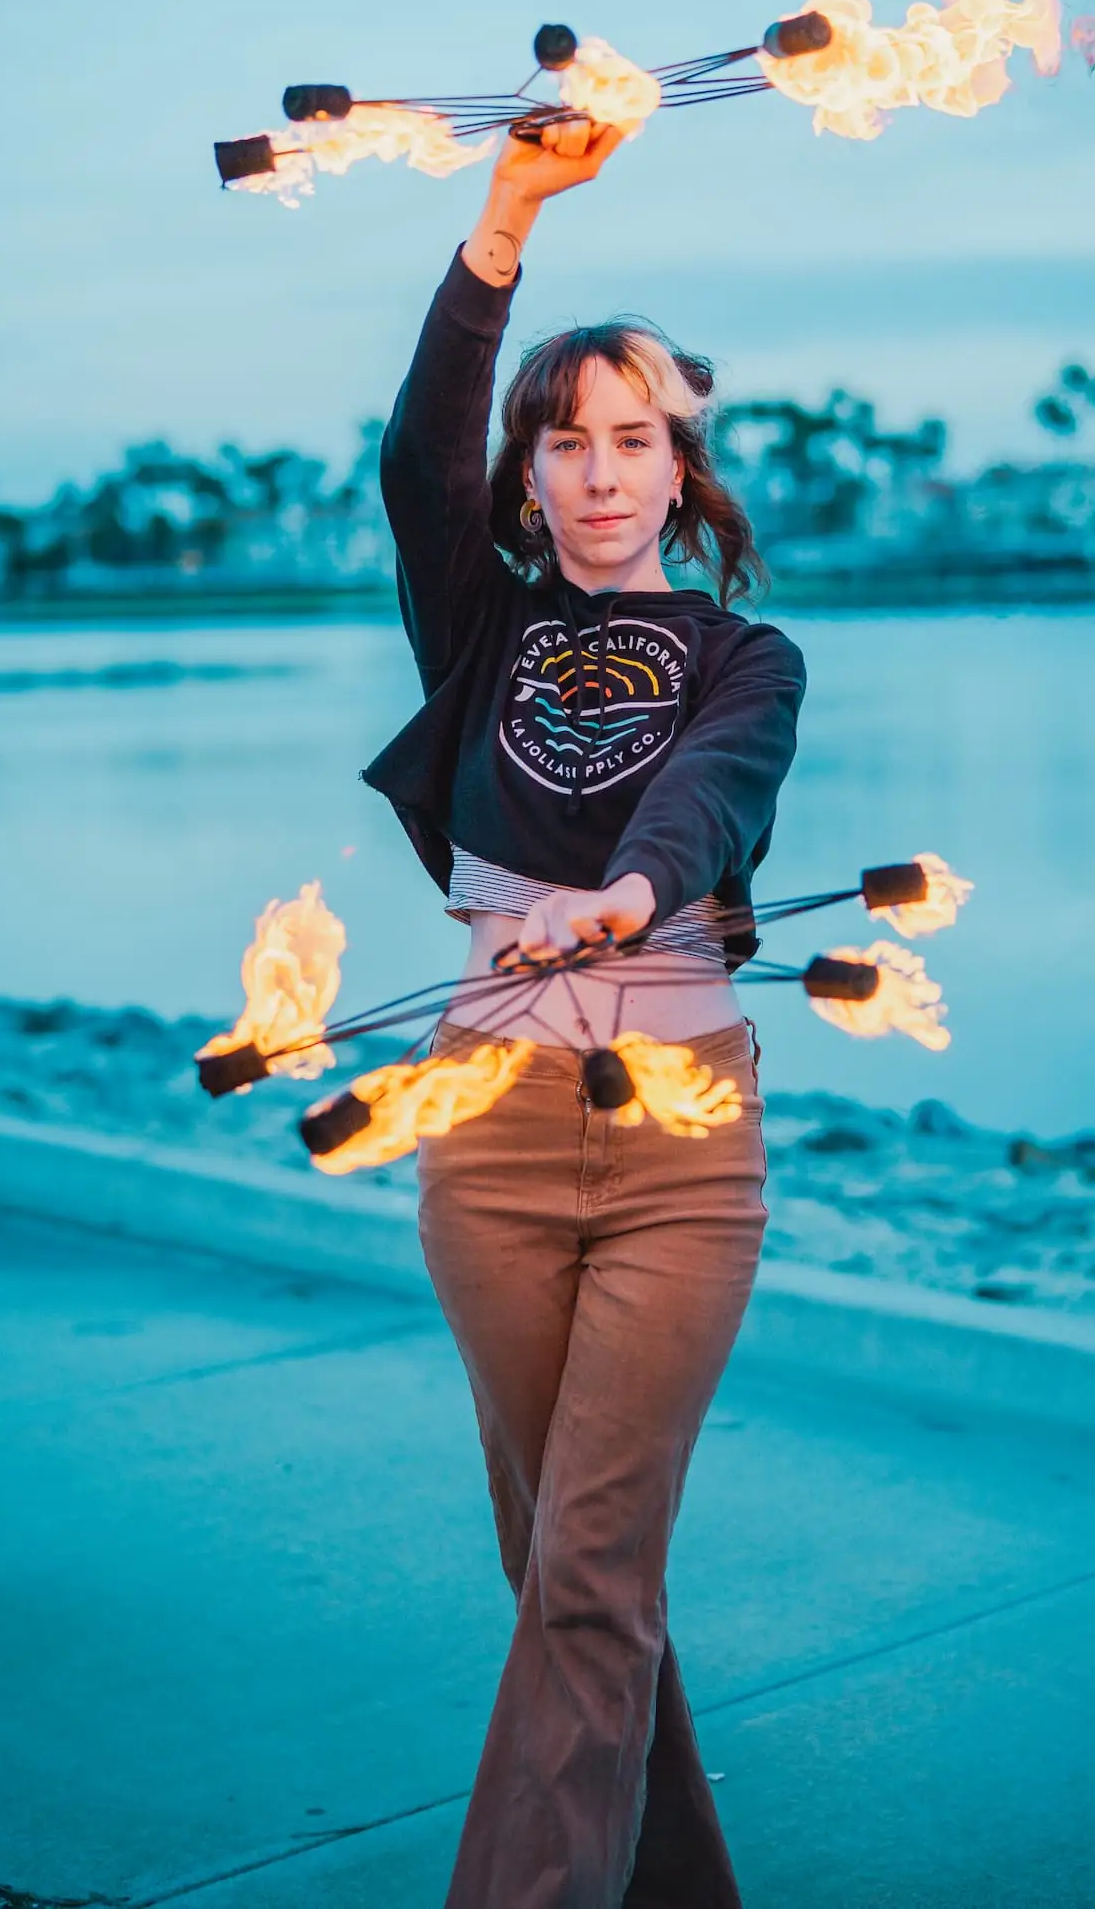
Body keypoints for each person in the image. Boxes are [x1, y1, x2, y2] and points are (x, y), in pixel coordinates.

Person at [361, 116, 808, 1909]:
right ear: (531, 473)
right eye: (566, 439)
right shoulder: (482, 627)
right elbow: (413, 461)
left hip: (681, 1139)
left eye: (637, 441)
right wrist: (503, 221)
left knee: (593, 1564)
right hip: (487, 1125)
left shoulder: (744, 659)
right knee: (562, 1566)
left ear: (682, 472)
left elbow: (710, 791)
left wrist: (629, 888)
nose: (600, 471)